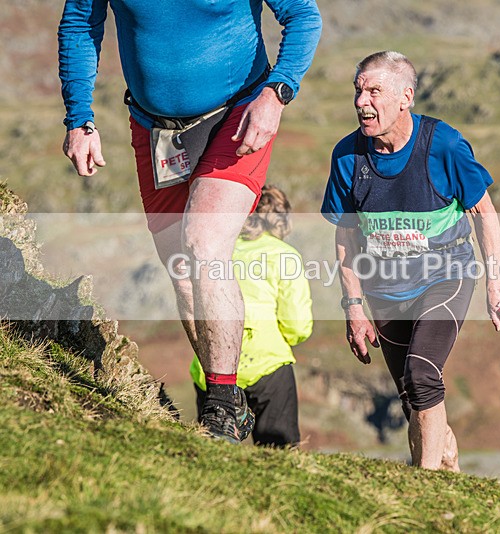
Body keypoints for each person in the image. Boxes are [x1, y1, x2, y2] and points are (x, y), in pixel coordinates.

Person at [57, 1, 322, 442]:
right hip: (155, 129)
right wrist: (79, 117)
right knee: (182, 271)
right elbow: (81, 20)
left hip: (238, 113)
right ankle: (230, 401)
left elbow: (303, 16)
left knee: (203, 245)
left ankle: (218, 409)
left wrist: (277, 92)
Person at [320, 51, 500, 470]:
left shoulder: (442, 144)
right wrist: (353, 308)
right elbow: (346, 237)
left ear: (405, 97)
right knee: (415, 399)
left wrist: (495, 283)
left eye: (374, 91)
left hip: (446, 276)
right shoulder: (347, 156)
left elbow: (484, 212)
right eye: (358, 91)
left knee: (422, 376)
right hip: (385, 289)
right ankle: (443, 461)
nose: (361, 101)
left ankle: (423, 486)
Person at [190, 185, 312, 447]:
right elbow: (298, 325)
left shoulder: (220, 250)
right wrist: (285, 336)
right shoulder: (285, 255)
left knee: (214, 445)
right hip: (267, 365)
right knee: (280, 454)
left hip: (211, 364)